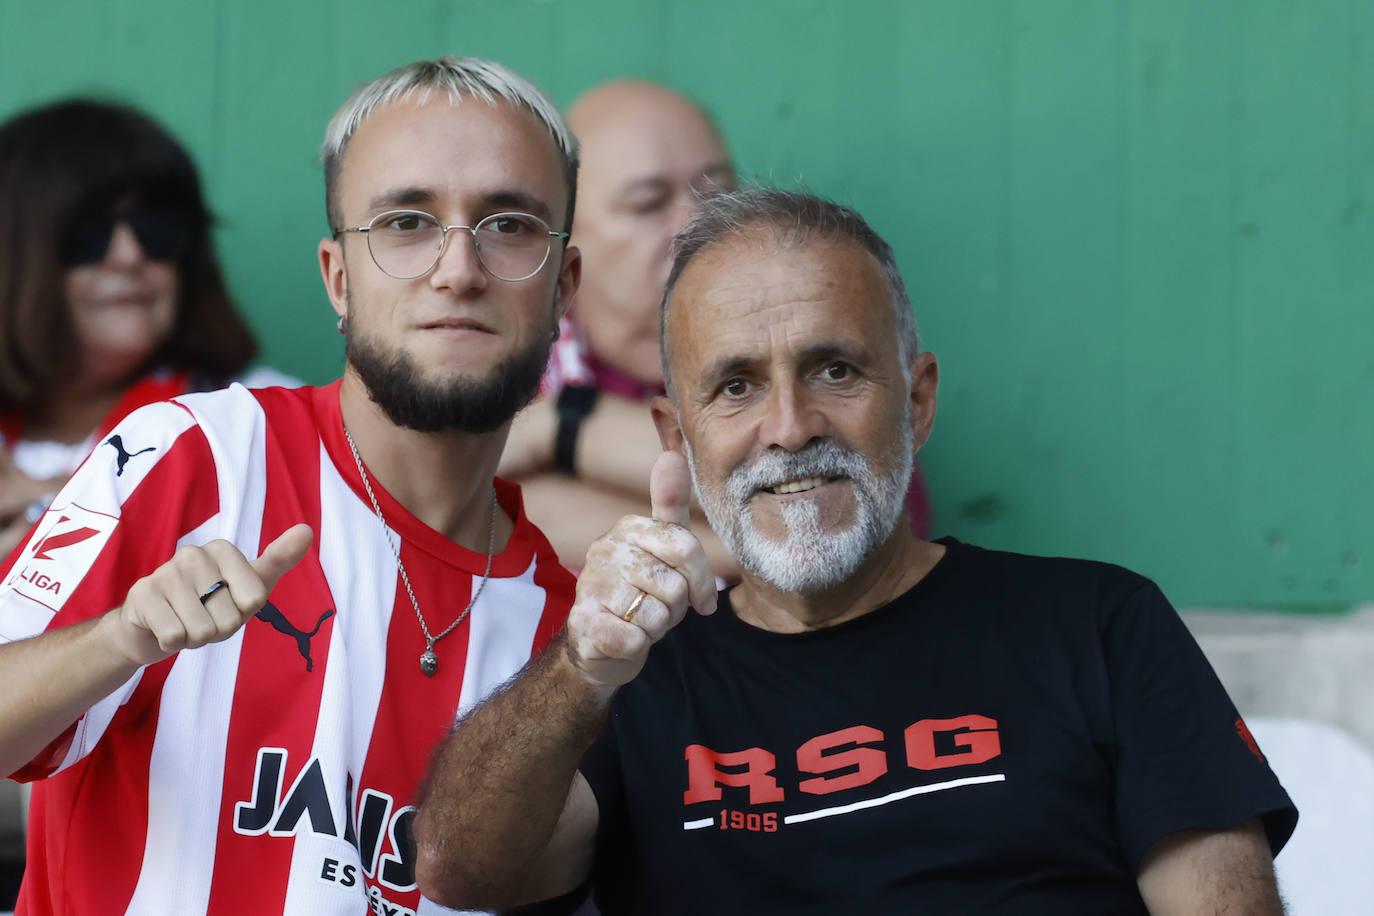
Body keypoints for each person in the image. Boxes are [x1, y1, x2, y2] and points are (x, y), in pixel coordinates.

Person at [411, 188, 1298, 914]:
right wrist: (581, 666)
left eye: (834, 369)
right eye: (736, 386)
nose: (790, 429)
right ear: (673, 439)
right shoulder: (634, 684)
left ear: (915, 401)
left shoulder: (1101, 624)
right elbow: (460, 875)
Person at [0, 56, 580, 915]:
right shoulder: (189, 451)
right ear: (337, 279)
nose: (459, 268)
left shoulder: (572, 637)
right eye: (407, 221)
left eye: (509, 224)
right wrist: (120, 637)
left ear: (564, 286)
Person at [0, 100, 294, 559]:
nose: (129, 255)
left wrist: (49, 512)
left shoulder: (260, 414)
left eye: (156, 228)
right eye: (87, 234)